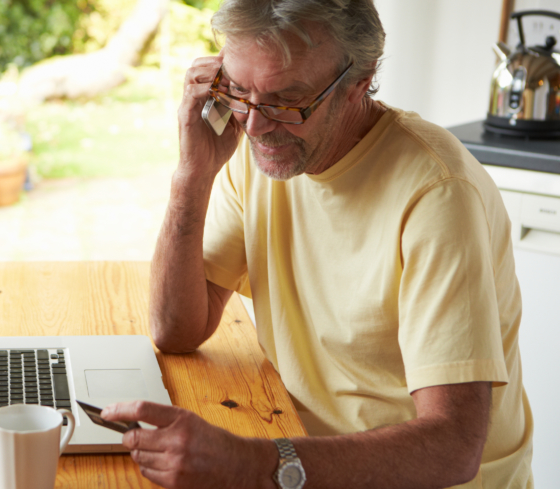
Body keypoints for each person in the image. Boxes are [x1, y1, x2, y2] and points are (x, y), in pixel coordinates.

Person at [100, 0, 533, 488]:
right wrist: (191, 174)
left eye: (287, 100)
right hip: (306, 455)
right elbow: (176, 329)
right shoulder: (260, 149)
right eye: (239, 92)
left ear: (360, 81)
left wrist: (252, 463)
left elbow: (453, 448)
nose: (255, 125)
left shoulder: (437, 194)